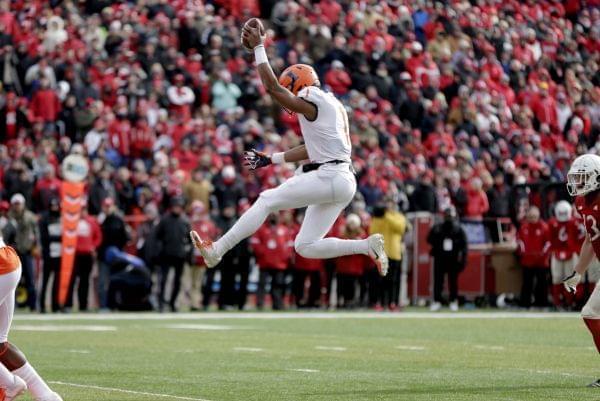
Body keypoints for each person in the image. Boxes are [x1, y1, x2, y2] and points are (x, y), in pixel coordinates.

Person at [191, 18, 388, 277]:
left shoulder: (311, 96)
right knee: (305, 245)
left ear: (300, 83)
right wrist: (272, 159)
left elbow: (272, 88)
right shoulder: (334, 105)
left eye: (291, 88)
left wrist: (259, 48)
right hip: (343, 180)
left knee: (266, 200)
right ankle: (366, 246)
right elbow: (312, 147)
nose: (289, 96)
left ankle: (217, 249)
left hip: (330, 175)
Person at [0, 236, 63, 400]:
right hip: (8, 260)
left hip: (1, 267)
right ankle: (46, 395)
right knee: (0, 342)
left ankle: (10, 383)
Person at [563, 154, 600, 387]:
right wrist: (576, 273)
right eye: (576, 178)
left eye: (583, 177)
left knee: (591, 312)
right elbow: (590, 239)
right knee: (591, 313)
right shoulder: (582, 202)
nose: (578, 183)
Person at [370, 197, 408, 310]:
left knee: (394, 281)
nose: (390, 207)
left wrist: (386, 215)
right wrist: (380, 217)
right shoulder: (379, 218)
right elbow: (372, 231)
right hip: (381, 253)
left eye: (392, 204)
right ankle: (380, 302)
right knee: (380, 280)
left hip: (395, 253)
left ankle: (393, 303)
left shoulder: (399, 217)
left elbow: (400, 228)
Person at [427, 206, 468, 312]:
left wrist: (463, 260)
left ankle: (453, 300)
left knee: (453, 281)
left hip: (453, 258)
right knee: (438, 281)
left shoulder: (458, 229)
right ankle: (437, 301)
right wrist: (438, 244)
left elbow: (464, 246)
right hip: (440, 257)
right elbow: (429, 239)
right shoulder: (438, 228)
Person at [155, 196, 192, 312]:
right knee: (164, 279)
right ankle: (161, 303)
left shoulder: (185, 221)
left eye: (179, 207)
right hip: (166, 254)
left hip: (180, 255)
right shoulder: (165, 220)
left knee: (177, 281)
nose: (177, 209)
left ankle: (173, 303)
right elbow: (157, 237)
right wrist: (159, 251)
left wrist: (187, 253)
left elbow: (189, 239)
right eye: (175, 207)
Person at [67, 204, 102, 312]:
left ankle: (83, 305)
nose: (82, 212)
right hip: (75, 254)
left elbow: (98, 236)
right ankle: (68, 304)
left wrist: (94, 246)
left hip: (87, 255)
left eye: (84, 209)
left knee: (85, 281)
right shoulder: (73, 221)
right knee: (72, 280)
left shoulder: (92, 221)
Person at [6, 194, 38, 311]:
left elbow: (36, 233)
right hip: (13, 253)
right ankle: (13, 307)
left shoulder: (30, 217)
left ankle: (33, 305)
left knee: (30, 279)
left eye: (19, 204)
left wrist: (36, 246)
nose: (17, 206)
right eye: (15, 204)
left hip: (27, 251)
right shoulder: (9, 217)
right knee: (13, 281)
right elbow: (5, 236)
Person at [547, 201, 580, 309]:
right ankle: (557, 303)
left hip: (571, 252)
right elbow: (550, 239)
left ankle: (569, 302)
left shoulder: (574, 222)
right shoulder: (552, 223)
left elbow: (577, 239)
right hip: (556, 252)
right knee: (556, 278)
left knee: (570, 278)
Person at [516, 206, 551, 308]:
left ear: (538, 216)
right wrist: (522, 252)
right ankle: (525, 303)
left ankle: (542, 303)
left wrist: (542, 255)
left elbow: (548, 243)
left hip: (541, 261)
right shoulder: (524, 227)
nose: (532, 219)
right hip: (527, 260)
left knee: (542, 283)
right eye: (530, 217)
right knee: (527, 283)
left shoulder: (544, 227)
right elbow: (519, 241)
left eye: (534, 217)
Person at [98, 197, 129, 310]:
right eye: (105, 206)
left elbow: (124, 237)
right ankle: (103, 305)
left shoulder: (118, 220)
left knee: (115, 280)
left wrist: (118, 251)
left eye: (109, 206)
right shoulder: (100, 220)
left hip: (116, 256)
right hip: (103, 255)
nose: (107, 208)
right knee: (102, 282)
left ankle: (114, 304)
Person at [38, 198, 62, 313]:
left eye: (56, 206)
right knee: (46, 281)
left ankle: (55, 305)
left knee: (57, 282)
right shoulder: (45, 219)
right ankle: (42, 306)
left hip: (59, 254)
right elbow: (44, 238)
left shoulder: (62, 218)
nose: (54, 208)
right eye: (52, 206)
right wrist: (59, 238)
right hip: (48, 254)